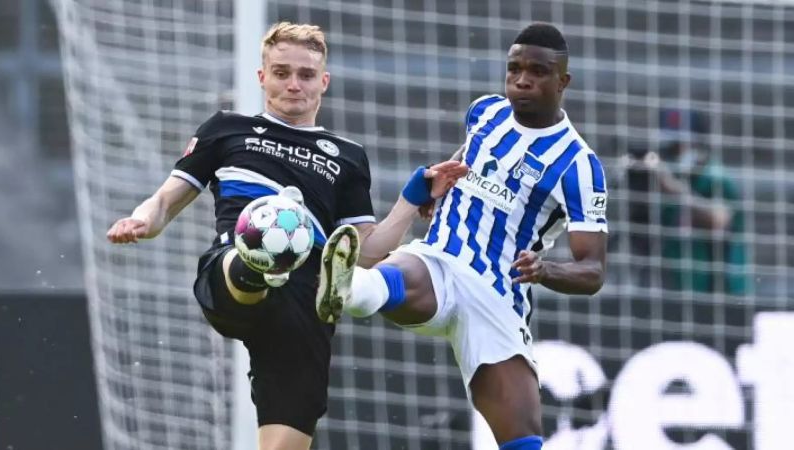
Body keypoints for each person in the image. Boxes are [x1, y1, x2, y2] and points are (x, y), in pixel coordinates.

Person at [106, 22, 467, 450]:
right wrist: (142, 220)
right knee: (262, 237)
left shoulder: (347, 157)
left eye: (306, 75)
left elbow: (365, 254)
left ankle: (298, 279)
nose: (293, 84)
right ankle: (260, 267)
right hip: (233, 267)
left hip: (307, 296)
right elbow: (166, 201)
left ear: (323, 82)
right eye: (281, 73)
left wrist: (413, 197)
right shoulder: (226, 129)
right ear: (262, 77)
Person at [316, 23, 608, 450]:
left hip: (497, 298)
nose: (522, 79)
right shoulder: (485, 112)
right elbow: (463, 161)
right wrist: (439, 182)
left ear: (563, 81)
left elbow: (593, 270)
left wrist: (546, 270)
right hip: (441, 260)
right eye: (514, 69)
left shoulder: (579, 165)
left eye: (538, 72)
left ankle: (350, 285)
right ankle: (344, 286)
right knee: (393, 276)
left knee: (523, 438)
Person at [629, 108, 749, 295]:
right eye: (670, 146)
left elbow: (719, 220)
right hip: (677, 289)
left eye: (680, 145)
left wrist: (671, 187)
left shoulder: (715, 177)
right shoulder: (666, 180)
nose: (674, 153)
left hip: (721, 293)